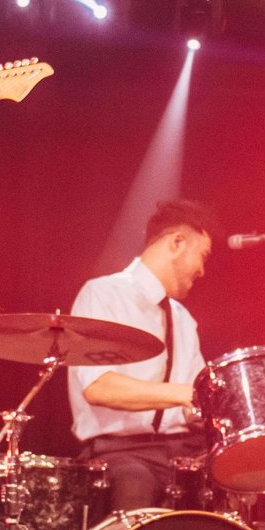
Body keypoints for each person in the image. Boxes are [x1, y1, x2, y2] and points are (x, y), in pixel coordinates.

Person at [67, 200, 214, 513]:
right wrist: (184, 393)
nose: (203, 270)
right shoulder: (103, 294)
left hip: (181, 452)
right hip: (120, 452)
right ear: (177, 243)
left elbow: (193, 403)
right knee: (135, 483)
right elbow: (99, 387)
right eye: (202, 256)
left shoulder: (183, 318)